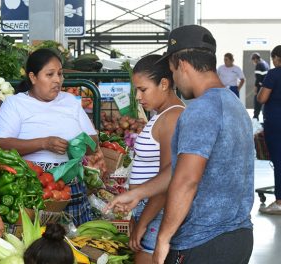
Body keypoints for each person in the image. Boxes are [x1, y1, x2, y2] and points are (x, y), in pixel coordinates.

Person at [105, 25, 254, 264]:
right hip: (238, 236)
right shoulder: (233, 104)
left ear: (182, 65)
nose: (174, 78)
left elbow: (186, 180)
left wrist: (163, 237)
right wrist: (139, 193)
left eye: (172, 70)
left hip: (203, 241)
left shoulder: (201, 109)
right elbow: (181, 169)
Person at [0, 48, 102, 226]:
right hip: (33, 185)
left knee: (78, 241)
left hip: (71, 186)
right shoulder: (15, 104)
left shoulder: (69, 101)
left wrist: (78, 145)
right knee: (39, 243)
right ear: (33, 77)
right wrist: (44, 143)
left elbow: (93, 142)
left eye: (60, 74)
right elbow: (1, 144)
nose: (57, 80)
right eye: (50, 74)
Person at [128, 54, 184, 264]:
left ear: (163, 84)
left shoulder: (172, 117)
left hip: (155, 212)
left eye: (143, 89)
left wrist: (143, 222)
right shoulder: (161, 114)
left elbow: (168, 180)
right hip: (148, 209)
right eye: (136, 90)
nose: (138, 97)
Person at [257, 45, 281, 214]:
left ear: (276, 58)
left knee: (279, 161)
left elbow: (263, 97)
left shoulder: (274, 74)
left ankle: (279, 201)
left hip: (276, 123)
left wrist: (259, 94)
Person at [251, 52, 269, 120]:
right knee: (264, 103)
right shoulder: (265, 63)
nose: (253, 62)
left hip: (260, 87)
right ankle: (265, 118)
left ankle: (255, 118)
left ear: (255, 59)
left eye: (253, 60)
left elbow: (258, 78)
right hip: (266, 87)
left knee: (257, 102)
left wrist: (255, 88)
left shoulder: (259, 65)